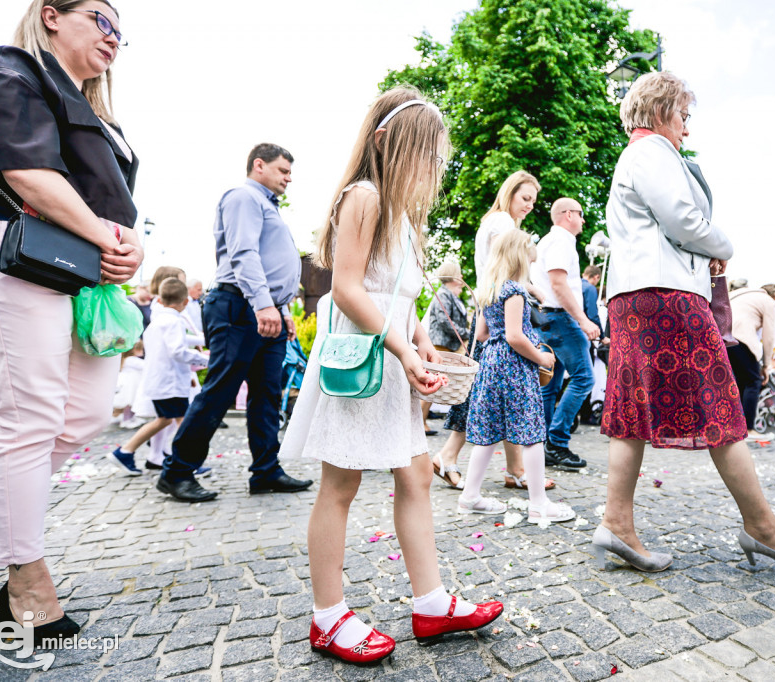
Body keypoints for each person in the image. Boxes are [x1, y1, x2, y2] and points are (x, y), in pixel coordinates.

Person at [282, 87, 503, 665]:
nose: (433, 166)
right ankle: (327, 616)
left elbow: (402, 297)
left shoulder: (400, 213)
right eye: (424, 153)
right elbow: (348, 289)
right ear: (388, 144)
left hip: (395, 359)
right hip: (364, 365)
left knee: (418, 477)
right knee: (342, 485)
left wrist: (422, 343)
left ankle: (430, 603)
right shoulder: (365, 196)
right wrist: (404, 349)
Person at [0, 0, 143, 642]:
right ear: (52, 15)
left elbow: (109, 205)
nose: (115, 37)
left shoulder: (98, 110)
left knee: (83, 414)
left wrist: (126, 244)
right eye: (102, 19)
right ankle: (25, 578)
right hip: (10, 243)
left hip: (72, 264)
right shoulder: (16, 68)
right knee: (31, 417)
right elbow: (26, 174)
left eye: (122, 31)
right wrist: (107, 239)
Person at [594, 71, 775, 573]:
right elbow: (683, 221)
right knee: (719, 403)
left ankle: (616, 520)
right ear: (661, 112)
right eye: (683, 115)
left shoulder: (638, 153)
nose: (686, 128)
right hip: (667, 295)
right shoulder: (654, 152)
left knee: (632, 410)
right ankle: (762, 528)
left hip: (637, 294)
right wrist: (724, 247)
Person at [157, 143, 312, 502]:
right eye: (283, 170)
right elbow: (244, 253)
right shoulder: (243, 197)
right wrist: (263, 306)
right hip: (240, 306)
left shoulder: (267, 205)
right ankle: (177, 471)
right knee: (221, 391)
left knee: (267, 393)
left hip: (263, 308)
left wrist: (283, 311)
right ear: (259, 165)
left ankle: (265, 470)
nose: (289, 178)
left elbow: (271, 265)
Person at [438, 171, 555, 493]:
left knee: (486, 395)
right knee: (500, 397)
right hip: (500, 314)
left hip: (487, 310)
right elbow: (504, 269)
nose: (530, 205)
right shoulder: (503, 224)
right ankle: (507, 468)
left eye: (533, 200)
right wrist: (531, 288)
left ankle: (464, 459)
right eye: (525, 198)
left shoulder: (494, 220)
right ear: (510, 193)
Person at [460, 230, 573, 522]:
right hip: (514, 364)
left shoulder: (490, 289)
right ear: (519, 256)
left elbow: (484, 334)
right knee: (532, 431)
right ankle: (538, 503)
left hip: (491, 364)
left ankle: (470, 495)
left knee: (488, 432)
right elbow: (514, 336)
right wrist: (542, 357)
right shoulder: (514, 291)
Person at [110, 278, 207, 475]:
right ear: (185, 302)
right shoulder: (173, 322)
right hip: (170, 384)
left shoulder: (158, 321)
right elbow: (178, 350)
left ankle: (125, 452)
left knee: (164, 420)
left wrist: (202, 339)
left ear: (160, 300)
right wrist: (205, 359)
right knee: (182, 423)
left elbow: (178, 340)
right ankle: (186, 462)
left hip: (159, 382)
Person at [531, 198, 598, 468]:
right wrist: (582, 320)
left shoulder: (546, 241)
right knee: (584, 378)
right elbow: (559, 284)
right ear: (568, 214)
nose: (583, 220)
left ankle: (544, 442)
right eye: (580, 215)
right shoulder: (561, 240)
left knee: (550, 383)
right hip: (561, 318)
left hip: (545, 318)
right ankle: (557, 442)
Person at [727, 284, 775, 441]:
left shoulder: (740, 293)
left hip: (721, 337)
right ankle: (748, 429)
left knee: (738, 383)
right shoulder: (769, 302)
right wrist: (767, 364)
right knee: (753, 382)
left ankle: (733, 425)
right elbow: (768, 336)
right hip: (741, 338)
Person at [422, 260, 469, 448]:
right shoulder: (442, 294)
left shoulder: (451, 295)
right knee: (433, 384)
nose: (462, 276)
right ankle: (420, 422)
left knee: (436, 385)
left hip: (448, 345)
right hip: (440, 344)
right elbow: (444, 321)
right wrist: (466, 333)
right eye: (459, 272)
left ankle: (422, 421)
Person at [582, 264, 603, 331]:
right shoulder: (590, 288)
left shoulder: (574, 285)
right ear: (596, 277)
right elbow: (592, 315)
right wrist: (601, 335)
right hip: (581, 328)